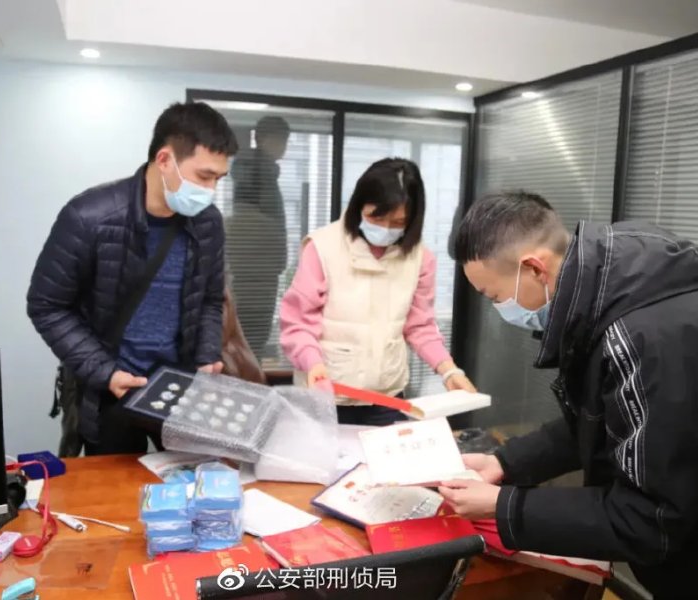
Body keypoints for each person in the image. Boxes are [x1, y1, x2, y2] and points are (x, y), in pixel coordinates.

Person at [440, 191, 698, 599]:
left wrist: (504, 507)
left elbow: (647, 519)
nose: (500, 310)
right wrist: (505, 462)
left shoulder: (651, 340)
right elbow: (600, 421)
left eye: (496, 297)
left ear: (534, 268)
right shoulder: (616, 298)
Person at [27, 102, 238, 456]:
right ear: (165, 160)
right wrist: (105, 372)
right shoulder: (89, 216)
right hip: (113, 389)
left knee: (190, 483)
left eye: (219, 178)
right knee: (116, 488)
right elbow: (46, 306)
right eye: (204, 177)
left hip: (180, 387)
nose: (211, 189)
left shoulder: (208, 223)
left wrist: (205, 356)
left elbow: (209, 300)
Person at [280, 158, 476, 426]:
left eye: (398, 222)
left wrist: (449, 371)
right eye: (376, 217)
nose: (385, 229)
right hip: (324, 393)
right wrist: (312, 364)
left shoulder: (420, 258)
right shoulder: (322, 248)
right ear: (359, 205)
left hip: (386, 398)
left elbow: (420, 326)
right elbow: (297, 324)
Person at [227, 116, 291, 357]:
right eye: (281, 140)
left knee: (249, 345)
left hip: (258, 272)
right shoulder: (257, 173)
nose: (284, 147)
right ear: (264, 139)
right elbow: (255, 224)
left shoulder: (260, 172)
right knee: (249, 346)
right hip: (254, 276)